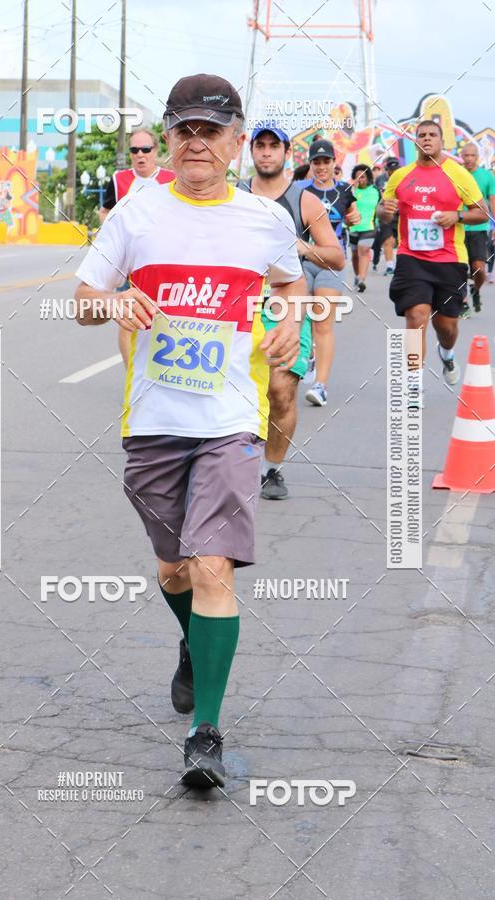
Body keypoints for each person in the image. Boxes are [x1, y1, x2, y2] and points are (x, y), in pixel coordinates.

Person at [74, 74, 308, 789]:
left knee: (212, 567)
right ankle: (191, 642)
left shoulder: (263, 220)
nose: (197, 143)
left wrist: (292, 319)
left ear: (238, 143)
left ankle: (205, 732)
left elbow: (290, 283)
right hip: (153, 422)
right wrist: (115, 303)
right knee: (175, 568)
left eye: (212, 131)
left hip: (231, 421)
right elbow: (81, 303)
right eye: (185, 131)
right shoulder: (135, 217)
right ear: (168, 141)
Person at [237, 124, 345, 499]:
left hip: (286, 306)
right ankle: (230, 461)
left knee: (281, 392)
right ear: (251, 151)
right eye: (260, 146)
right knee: (239, 392)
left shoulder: (304, 201)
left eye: (274, 146)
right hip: (237, 307)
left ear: (286, 153)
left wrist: (301, 247)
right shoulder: (231, 195)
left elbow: (336, 257)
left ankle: (271, 469)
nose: (266, 153)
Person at [378, 120, 488, 389]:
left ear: (442, 142)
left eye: (432, 135)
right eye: (421, 136)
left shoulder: (459, 174)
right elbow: (382, 212)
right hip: (411, 257)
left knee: (446, 326)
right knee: (416, 315)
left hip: (449, 258)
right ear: (415, 142)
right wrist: (385, 211)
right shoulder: (400, 176)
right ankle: (413, 383)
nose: (426, 139)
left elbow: (482, 212)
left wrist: (457, 215)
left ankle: (447, 353)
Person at [100, 130, 175, 365]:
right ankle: (131, 373)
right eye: (134, 150)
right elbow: (105, 212)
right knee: (129, 319)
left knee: (165, 317)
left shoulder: (171, 178)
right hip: (130, 262)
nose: (140, 155)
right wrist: (113, 235)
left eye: (145, 150)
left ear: (156, 151)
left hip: (165, 260)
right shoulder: (119, 179)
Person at [299, 139, 361, 407]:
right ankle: (309, 354)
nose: (322, 167)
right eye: (316, 162)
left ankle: (321, 385)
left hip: (331, 262)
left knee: (322, 320)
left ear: (334, 163)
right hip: (300, 261)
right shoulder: (299, 190)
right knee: (300, 318)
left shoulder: (345, 191)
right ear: (310, 165)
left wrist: (352, 218)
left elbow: (352, 214)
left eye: (326, 161)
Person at [459, 142, 495, 314]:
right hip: (458, 228)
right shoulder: (456, 174)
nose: (470, 159)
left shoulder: (487, 176)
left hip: (480, 227)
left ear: (478, 157)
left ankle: (476, 289)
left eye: (473, 155)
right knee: (460, 269)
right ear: (462, 156)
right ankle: (463, 302)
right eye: (466, 155)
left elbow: (492, 201)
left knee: (479, 268)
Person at [349, 164, 381, 293]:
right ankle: (357, 276)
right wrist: (353, 190)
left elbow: (381, 206)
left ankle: (362, 280)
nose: (361, 180)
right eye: (357, 177)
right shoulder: (351, 191)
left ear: (368, 177)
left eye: (363, 177)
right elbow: (346, 205)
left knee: (363, 250)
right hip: (353, 227)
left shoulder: (375, 190)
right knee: (355, 254)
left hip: (369, 227)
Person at [373, 157, 400, 273]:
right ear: (386, 170)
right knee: (388, 240)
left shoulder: (404, 177)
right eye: (391, 170)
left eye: (395, 170)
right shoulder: (380, 179)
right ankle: (390, 266)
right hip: (386, 214)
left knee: (399, 242)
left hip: (400, 215)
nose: (393, 173)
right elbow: (379, 196)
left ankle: (401, 266)